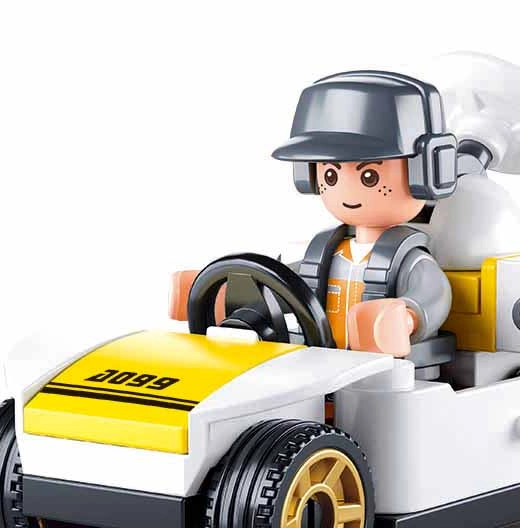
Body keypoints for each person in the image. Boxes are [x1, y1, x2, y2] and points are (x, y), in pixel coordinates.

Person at [170, 70, 456, 361]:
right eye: (331, 175)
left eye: (369, 176)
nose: (347, 190)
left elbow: (434, 295)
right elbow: (287, 287)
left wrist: (407, 317)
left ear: (423, 175)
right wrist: (224, 291)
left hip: (390, 372)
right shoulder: (328, 252)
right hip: (322, 364)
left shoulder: (411, 260)